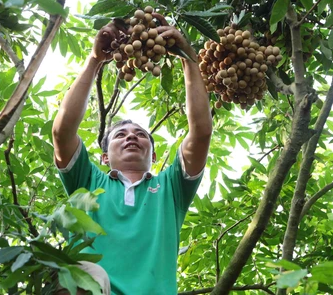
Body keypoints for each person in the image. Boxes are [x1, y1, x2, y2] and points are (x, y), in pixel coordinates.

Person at [52, 18, 213, 294]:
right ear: (104, 157)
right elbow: (62, 131)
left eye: (140, 135)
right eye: (120, 135)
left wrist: (188, 57)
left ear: (154, 156)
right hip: (93, 289)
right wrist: (94, 60)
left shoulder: (171, 189)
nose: (131, 137)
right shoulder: (88, 181)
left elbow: (200, 134)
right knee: (84, 272)